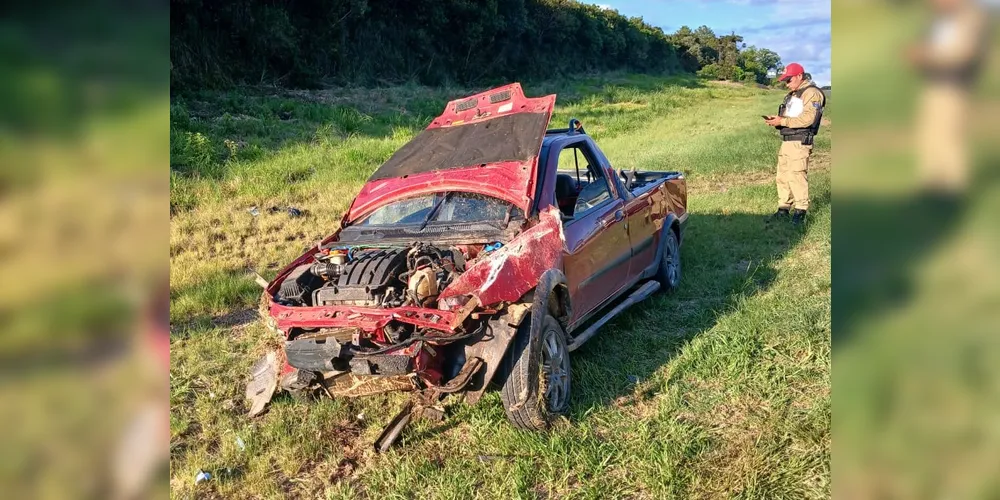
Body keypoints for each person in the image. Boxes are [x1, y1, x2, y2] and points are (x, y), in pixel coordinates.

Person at [907, 0, 987, 195]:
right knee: (929, 136)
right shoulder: (939, 21)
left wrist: (926, 56)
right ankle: (933, 186)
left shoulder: (970, 19)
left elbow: (964, 55)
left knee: (951, 138)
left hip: (954, 87)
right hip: (933, 85)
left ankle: (952, 191)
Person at [764, 63, 826, 225]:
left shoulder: (811, 93)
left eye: (789, 80)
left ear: (799, 76)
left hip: (800, 141)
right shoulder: (794, 94)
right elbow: (791, 116)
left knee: (797, 175)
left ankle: (800, 212)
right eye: (785, 80)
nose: (787, 84)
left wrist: (782, 120)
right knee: (783, 176)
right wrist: (777, 121)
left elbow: (808, 119)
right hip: (787, 140)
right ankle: (783, 208)